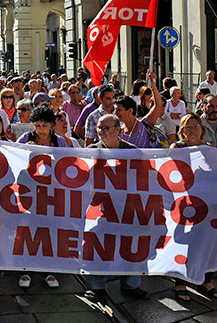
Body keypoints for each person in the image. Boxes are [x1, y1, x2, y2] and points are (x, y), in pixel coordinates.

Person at [85, 114, 149, 302]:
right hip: (102, 210)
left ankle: (131, 285)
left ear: (118, 129)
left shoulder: (133, 152)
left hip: (129, 210)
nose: (101, 132)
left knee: (131, 247)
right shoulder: (91, 151)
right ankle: (95, 286)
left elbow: (145, 181)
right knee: (98, 246)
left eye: (106, 128)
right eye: (98, 128)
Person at [170, 114, 217, 301]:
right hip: (184, 202)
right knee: (183, 242)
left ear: (202, 129)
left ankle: (205, 279)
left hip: (207, 202)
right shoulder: (176, 148)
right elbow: (172, 173)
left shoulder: (209, 149)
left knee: (205, 241)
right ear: (182, 131)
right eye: (188, 127)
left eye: (196, 126)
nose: (192, 130)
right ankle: (180, 282)